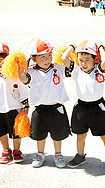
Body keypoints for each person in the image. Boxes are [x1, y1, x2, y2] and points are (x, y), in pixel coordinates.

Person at [62, 40, 105, 172]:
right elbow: (64, 58)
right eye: (81, 59)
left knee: (104, 134)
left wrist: (100, 49)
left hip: (98, 107)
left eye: (87, 59)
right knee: (80, 134)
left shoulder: (99, 70)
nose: (84, 63)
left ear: (95, 59)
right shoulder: (76, 70)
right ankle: (80, 156)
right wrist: (72, 46)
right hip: (81, 107)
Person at [19, 38, 71, 168]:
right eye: (42, 57)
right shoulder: (32, 72)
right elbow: (23, 79)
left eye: (49, 55)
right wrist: (23, 66)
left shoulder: (58, 68)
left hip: (57, 107)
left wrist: (70, 49)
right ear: (34, 59)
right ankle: (40, 153)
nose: (47, 59)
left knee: (57, 134)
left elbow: (70, 67)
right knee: (39, 134)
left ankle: (58, 154)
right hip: (40, 109)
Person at [0, 42, 29, 164]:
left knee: (16, 131)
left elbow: (23, 90)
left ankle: (17, 150)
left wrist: (26, 105)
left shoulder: (15, 76)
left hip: (14, 108)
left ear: (7, 59)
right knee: (1, 131)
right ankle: (5, 150)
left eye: (0, 60)